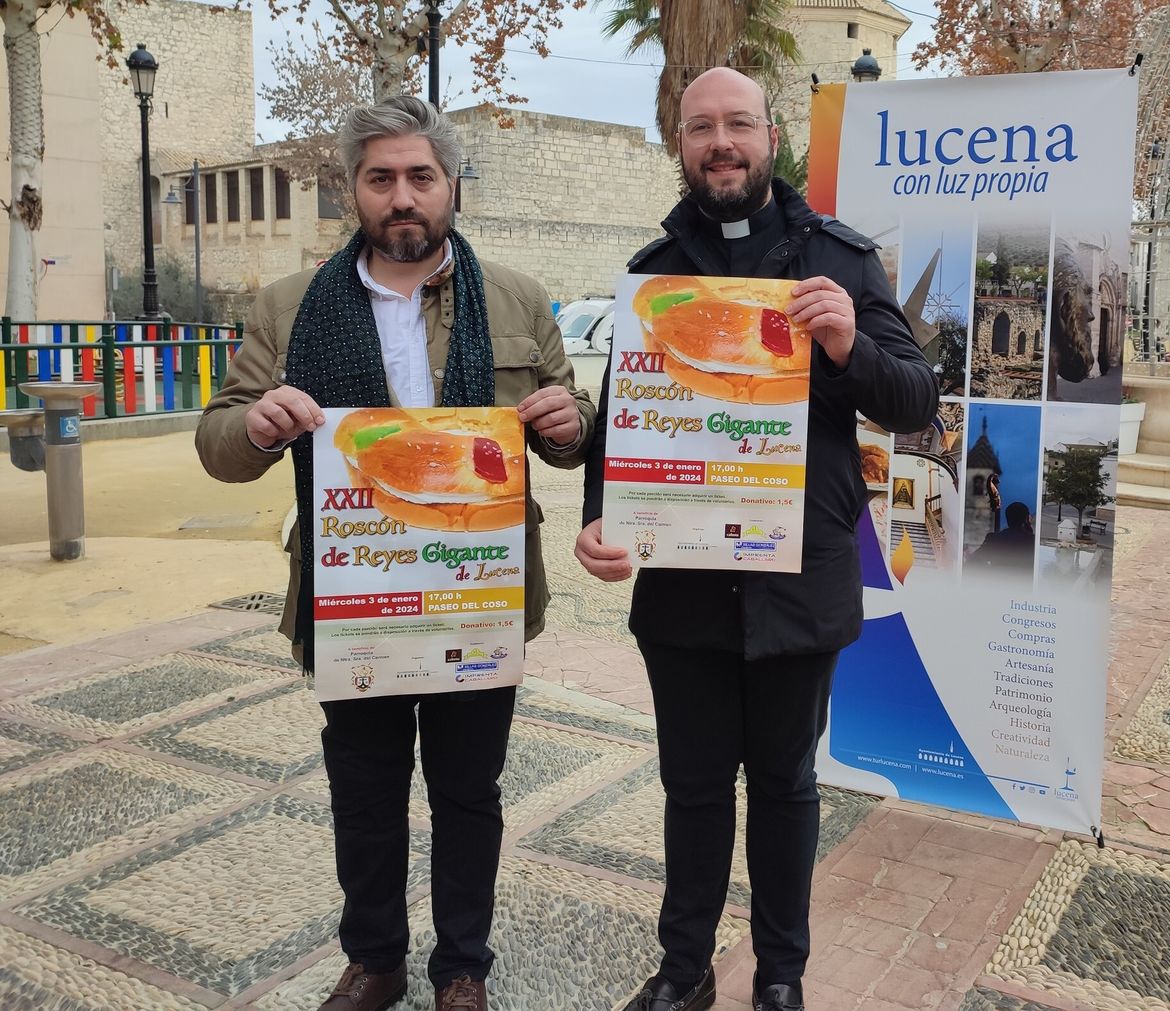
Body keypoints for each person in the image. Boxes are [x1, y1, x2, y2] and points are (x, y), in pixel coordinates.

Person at [196, 96, 595, 1011]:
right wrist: (257, 427)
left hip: (475, 595)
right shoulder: (289, 306)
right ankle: (374, 958)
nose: (403, 197)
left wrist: (571, 425)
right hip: (354, 595)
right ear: (352, 190)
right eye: (382, 179)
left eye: (421, 176)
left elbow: (569, 431)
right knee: (365, 793)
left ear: (453, 185)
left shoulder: (519, 299)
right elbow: (219, 443)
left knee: (468, 792)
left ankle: (463, 968)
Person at [573, 68, 938, 1011]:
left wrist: (851, 344)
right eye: (702, 127)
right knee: (691, 790)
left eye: (738, 123)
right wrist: (596, 526)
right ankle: (685, 968)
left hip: (796, 584)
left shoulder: (839, 260)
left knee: (784, 789)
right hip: (684, 590)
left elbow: (917, 404)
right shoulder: (654, 274)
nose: (721, 142)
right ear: (681, 142)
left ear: (770, 136)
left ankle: (781, 974)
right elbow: (619, 427)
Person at [970, 502, 1035, 572]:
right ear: (1026, 519)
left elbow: (973, 562)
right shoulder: (1032, 541)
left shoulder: (993, 539)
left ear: (1008, 519)